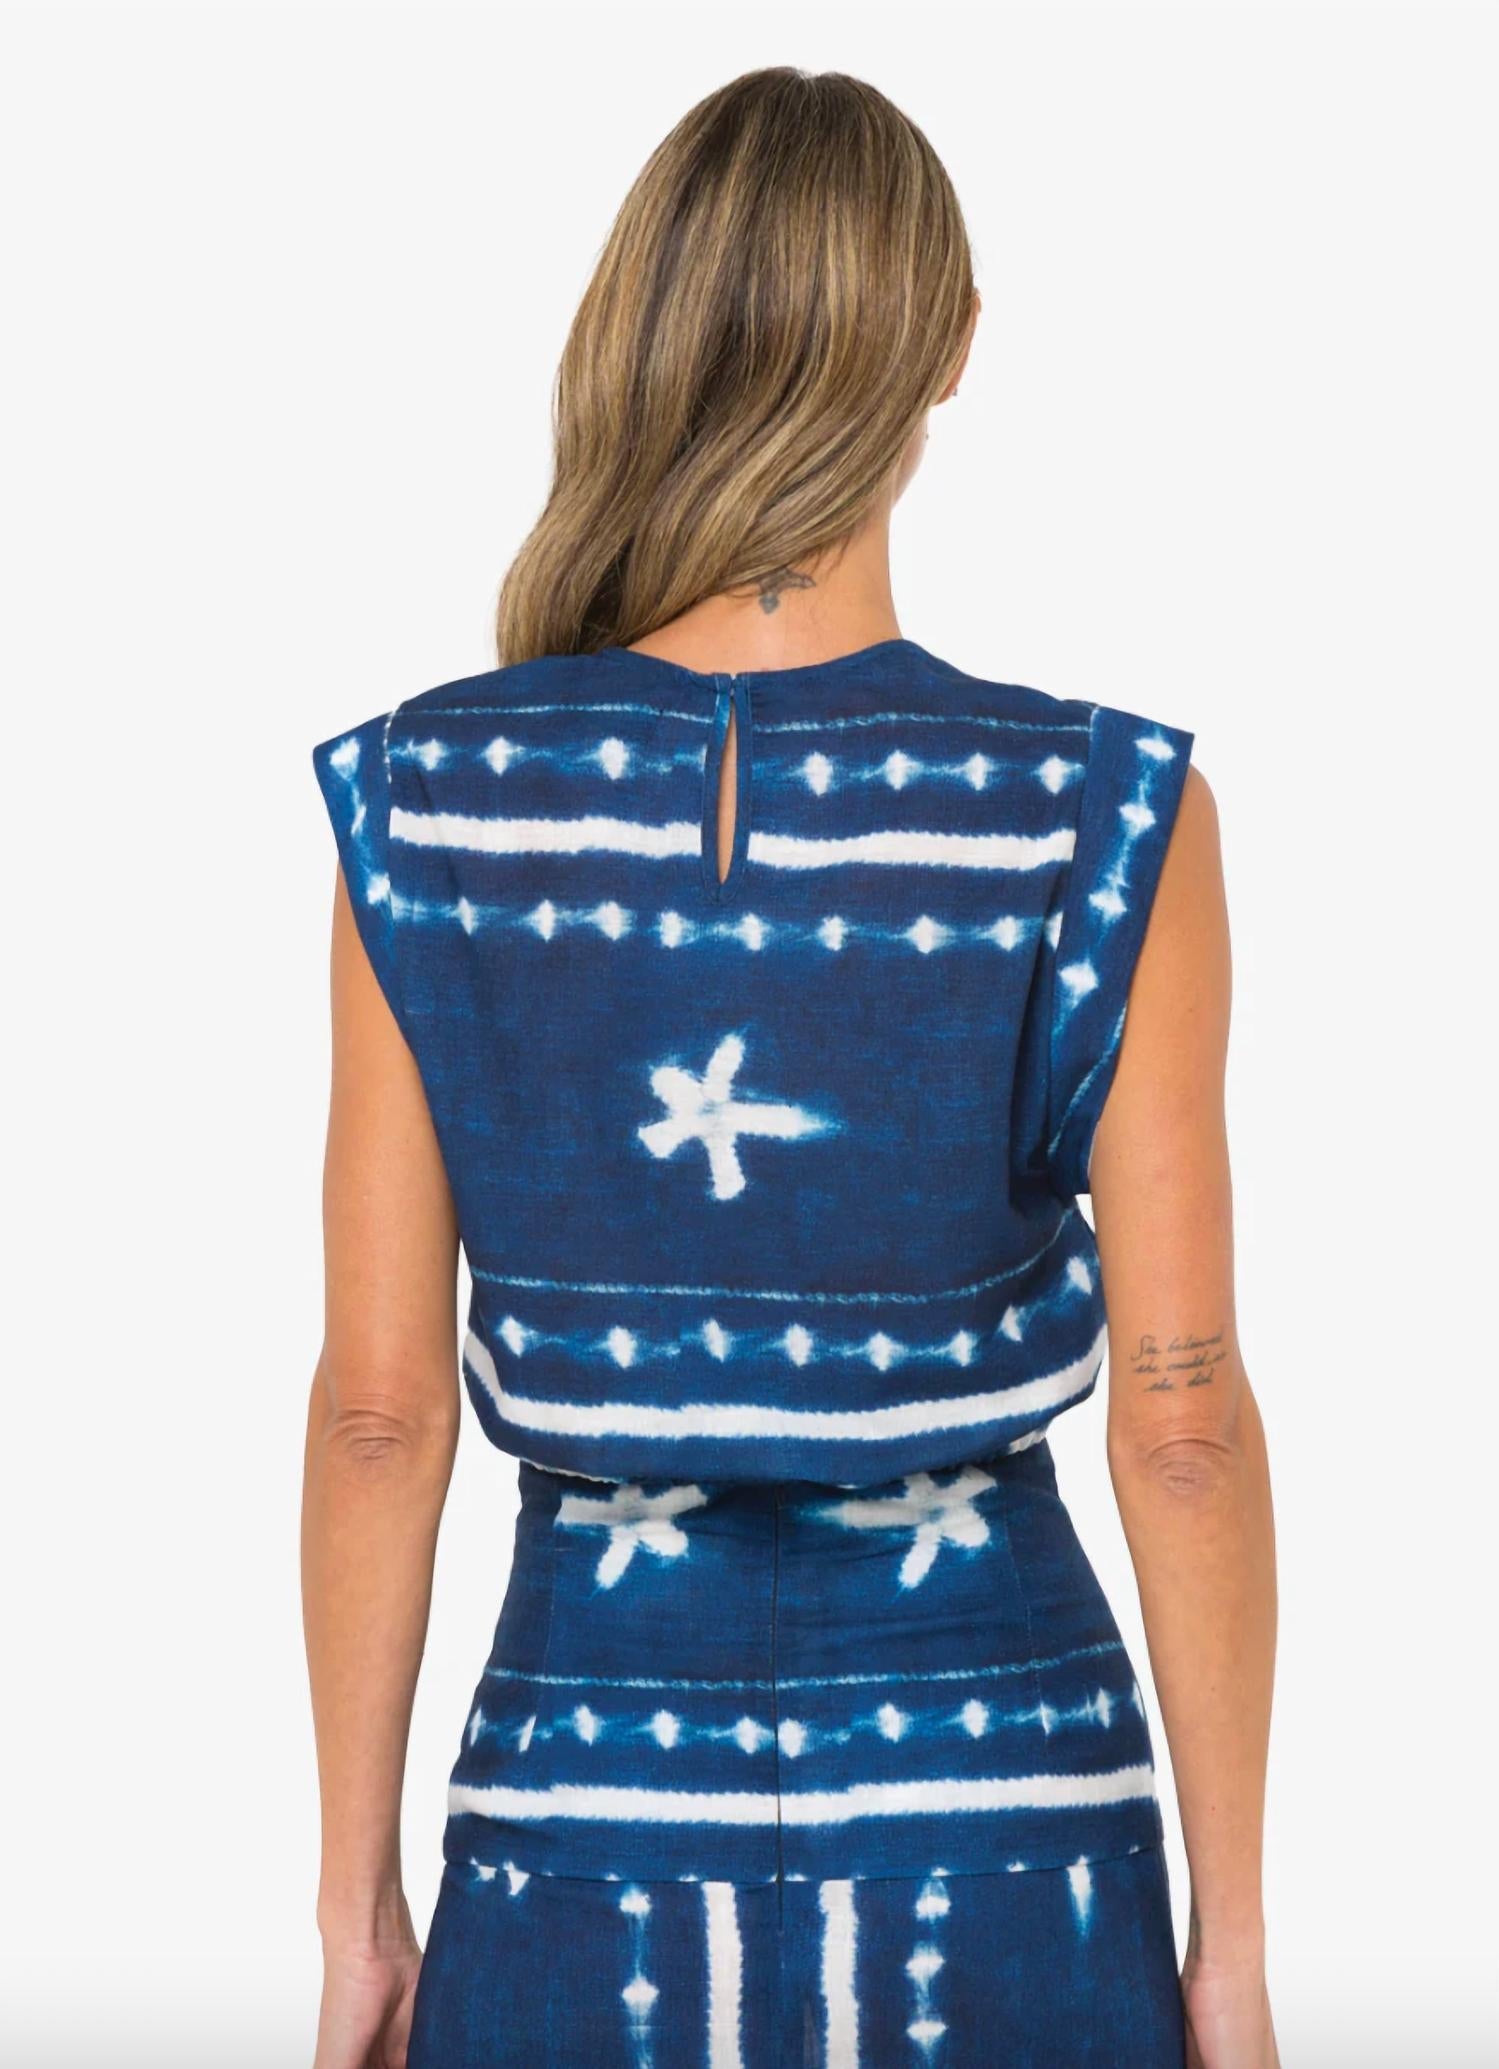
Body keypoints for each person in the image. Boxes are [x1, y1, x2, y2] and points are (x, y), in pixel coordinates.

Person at [303, 66, 1279, 2069]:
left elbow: (380, 1419)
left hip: (575, 1822)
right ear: (951, 346)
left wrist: (357, 1918)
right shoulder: (1107, 817)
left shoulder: (435, 801)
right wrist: (1233, 1949)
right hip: (1012, 1828)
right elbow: (1181, 1425)